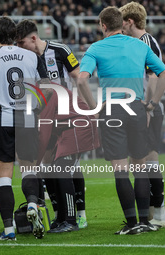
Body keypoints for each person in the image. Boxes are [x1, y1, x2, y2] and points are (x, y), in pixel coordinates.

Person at [77, 6, 165, 235]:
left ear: (103, 25)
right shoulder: (139, 45)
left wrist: (94, 108)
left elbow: (81, 81)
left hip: (112, 109)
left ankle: (132, 222)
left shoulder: (96, 48)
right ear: (121, 23)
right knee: (140, 166)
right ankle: (146, 221)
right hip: (136, 107)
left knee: (120, 169)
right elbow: (162, 72)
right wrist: (151, 103)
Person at [0, 16, 48, 240]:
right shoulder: (32, 56)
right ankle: (32, 204)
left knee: (4, 175)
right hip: (28, 116)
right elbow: (49, 88)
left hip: (2, 118)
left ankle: (9, 229)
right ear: (14, 35)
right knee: (29, 168)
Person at [16, 19, 88, 230]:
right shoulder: (26, 60)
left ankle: (77, 216)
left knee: (67, 166)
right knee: (48, 168)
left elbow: (78, 78)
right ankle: (60, 216)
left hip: (67, 115)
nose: (20, 48)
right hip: (45, 117)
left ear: (33, 38)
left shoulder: (59, 50)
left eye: (22, 43)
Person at [119, 1, 165, 228]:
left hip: (149, 109)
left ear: (130, 21)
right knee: (144, 161)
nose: (121, 28)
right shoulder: (140, 42)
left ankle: (158, 211)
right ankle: (152, 212)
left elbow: (155, 76)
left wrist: (149, 105)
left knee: (148, 160)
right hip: (144, 107)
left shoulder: (145, 41)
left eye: (122, 23)